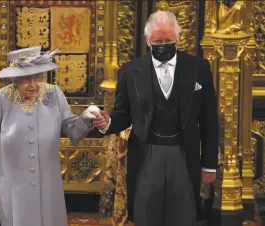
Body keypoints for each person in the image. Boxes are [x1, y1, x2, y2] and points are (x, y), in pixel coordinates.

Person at [93, 11, 218, 226]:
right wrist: (108, 123)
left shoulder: (199, 68)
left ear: (178, 38)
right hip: (146, 155)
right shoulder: (131, 71)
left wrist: (209, 166)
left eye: (168, 40)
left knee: (184, 216)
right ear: (147, 40)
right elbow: (122, 115)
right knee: (146, 215)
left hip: (184, 154)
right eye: (158, 41)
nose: (163, 45)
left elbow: (209, 121)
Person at [0, 47, 101, 226]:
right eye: (27, 79)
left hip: (47, 190)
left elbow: (73, 130)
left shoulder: (54, 94)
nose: (34, 84)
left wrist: (86, 117)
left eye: (38, 77)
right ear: (14, 79)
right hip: (10, 191)